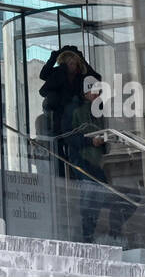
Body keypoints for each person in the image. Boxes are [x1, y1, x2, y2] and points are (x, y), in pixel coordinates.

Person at [65, 76, 135, 243]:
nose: (96, 95)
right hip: (81, 160)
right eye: (93, 91)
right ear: (86, 92)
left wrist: (104, 142)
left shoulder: (101, 112)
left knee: (106, 197)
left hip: (97, 162)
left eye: (99, 92)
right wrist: (90, 141)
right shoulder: (75, 109)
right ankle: (86, 236)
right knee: (90, 196)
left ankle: (108, 233)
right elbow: (68, 136)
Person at [38, 47, 99, 177]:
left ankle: (72, 175)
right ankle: (62, 176)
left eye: (75, 63)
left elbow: (95, 77)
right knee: (60, 151)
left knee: (74, 148)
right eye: (70, 63)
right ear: (64, 64)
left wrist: (81, 58)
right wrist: (54, 56)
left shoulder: (79, 77)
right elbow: (43, 76)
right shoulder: (58, 73)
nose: (74, 66)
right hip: (59, 119)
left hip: (74, 118)